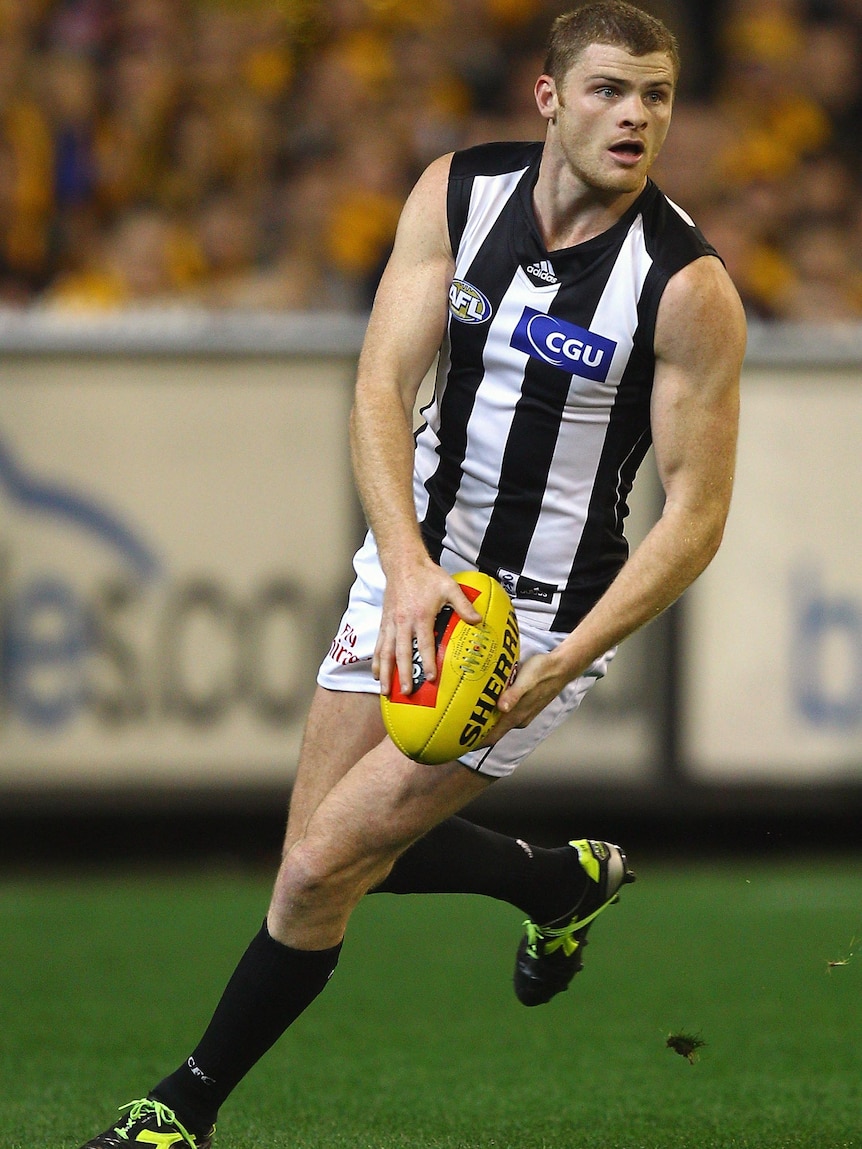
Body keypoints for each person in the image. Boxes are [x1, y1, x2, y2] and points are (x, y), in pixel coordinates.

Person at [79, 3, 744, 1146]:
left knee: (315, 874)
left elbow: (693, 522)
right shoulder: (455, 194)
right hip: (413, 570)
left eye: (656, 96)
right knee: (324, 857)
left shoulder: (684, 289)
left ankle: (181, 1110)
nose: (635, 116)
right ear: (549, 98)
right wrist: (404, 566)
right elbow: (380, 389)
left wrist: (564, 662)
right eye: (607, 91)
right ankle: (552, 882)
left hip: (534, 620)